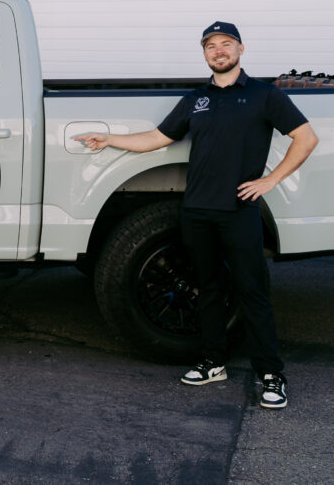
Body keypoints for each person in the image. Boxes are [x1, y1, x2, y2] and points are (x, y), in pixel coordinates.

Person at [76, 21, 318, 409]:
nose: (218, 51)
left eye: (226, 44)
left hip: (239, 210)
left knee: (251, 292)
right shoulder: (196, 99)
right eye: (211, 46)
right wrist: (109, 139)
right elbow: (158, 138)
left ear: (241, 49)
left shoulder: (263, 95)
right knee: (207, 289)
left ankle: (271, 374)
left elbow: (306, 138)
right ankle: (213, 362)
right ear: (204, 53)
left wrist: (270, 180)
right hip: (198, 210)